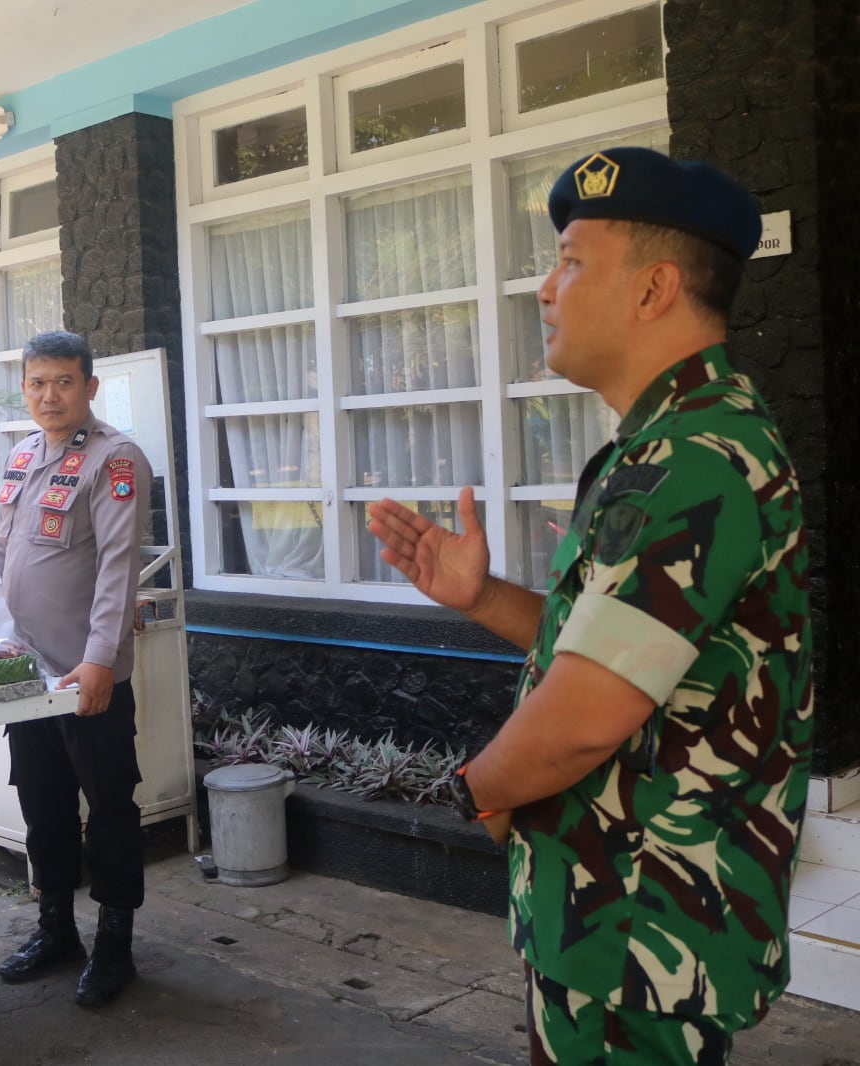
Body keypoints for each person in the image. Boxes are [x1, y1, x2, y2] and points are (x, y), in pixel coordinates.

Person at [368, 148, 811, 1064]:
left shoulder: (697, 457)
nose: (545, 288)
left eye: (571, 260)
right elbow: (622, 653)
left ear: (654, 290)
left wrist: (477, 794)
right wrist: (483, 597)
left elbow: (584, 718)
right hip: (621, 917)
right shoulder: (670, 441)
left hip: (637, 930)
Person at [0, 329, 152, 1008]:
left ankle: (115, 942)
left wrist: (99, 659)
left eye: (62, 381)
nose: (48, 395)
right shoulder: (23, 456)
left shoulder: (115, 460)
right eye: (36, 383)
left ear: (90, 386)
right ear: (23, 389)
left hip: (86, 675)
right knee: (41, 802)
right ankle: (56, 926)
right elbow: (0, 556)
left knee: (109, 807)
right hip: (27, 675)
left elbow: (118, 568)